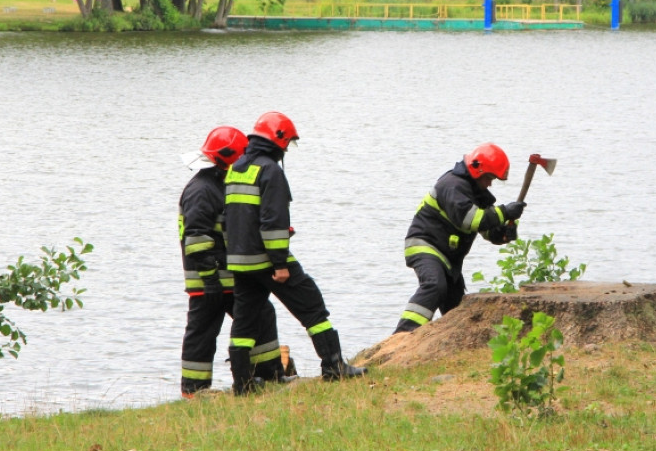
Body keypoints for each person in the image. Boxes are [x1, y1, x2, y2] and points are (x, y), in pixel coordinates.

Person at [224, 112, 366, 382]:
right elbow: (273, 222)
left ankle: (242, 384)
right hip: (268, 260)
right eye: (287, 142)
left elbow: (235, 217)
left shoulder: (236, 168)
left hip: (241, 262)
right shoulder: (270, 170)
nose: (287, 148)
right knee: (312, 305)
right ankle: (334, 367)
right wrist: (280, 263)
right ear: (277, 140)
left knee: (244, 321)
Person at [178, 125, 288, 397]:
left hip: (231, 275)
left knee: (261, 316)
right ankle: (194, 390)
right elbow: (196, 239)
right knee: (203, 332)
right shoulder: (202, 190)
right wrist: (211, 279)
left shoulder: (220, 182)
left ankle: (268, 374)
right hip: (210, 279)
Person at [393, 143, 525, 334]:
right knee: (435, 285)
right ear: (477, 170)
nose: (490, 183)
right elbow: (469, 220)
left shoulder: (476, 193)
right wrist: (504, 212)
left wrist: (503, 233)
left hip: (448, 257)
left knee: (455, 305)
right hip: (425, 245)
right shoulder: (452, 185)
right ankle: (403, 336)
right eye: (489, 178)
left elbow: (487, 229)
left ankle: (445, 341)